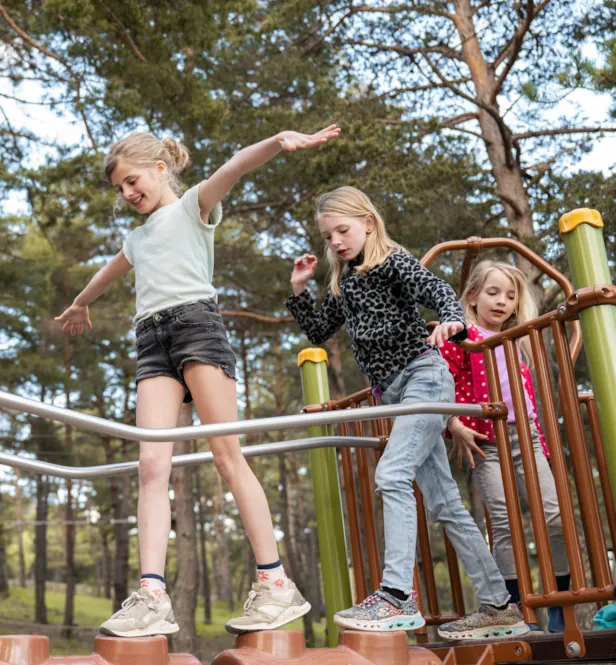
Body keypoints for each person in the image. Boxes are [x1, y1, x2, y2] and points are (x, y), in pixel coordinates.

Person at [55, 125, 341, 636]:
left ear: (160, 168)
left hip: (197, 328)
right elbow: (109, 272)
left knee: (227, 457)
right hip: (151, 341)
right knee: (150, 464)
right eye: (120, 188)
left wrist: (277, 141)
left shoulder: (192, 207)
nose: (127, 193)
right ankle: (152, 596)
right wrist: (80, 302)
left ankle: (276, 584)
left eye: (132, 181)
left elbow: (234, 166)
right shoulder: (136, 238)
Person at [285, 186, 528, 641]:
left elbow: (436, 289)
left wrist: (452, 317)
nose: (336, 241)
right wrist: (299, 288)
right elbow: (318, 330)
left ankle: (396, 595)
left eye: (343, 230)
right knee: (445, 503)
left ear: (368, 224)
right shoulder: (346, 281)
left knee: (392, 474)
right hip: (397, 395)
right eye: (328, 236)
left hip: (424, 378)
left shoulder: (391, 262)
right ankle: (499, 606)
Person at [441, 260, 569, 633]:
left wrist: (540, 440)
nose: (502, 302)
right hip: (485, 441)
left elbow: (526, 398)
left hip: (525, 437)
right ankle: (516, 608)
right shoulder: (461, 337)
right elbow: (441, 384)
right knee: (504, 523)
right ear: (473, 296)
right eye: (493, 292)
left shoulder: (516, 339)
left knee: (553, 514)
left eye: (510, 296)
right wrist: (453, 424)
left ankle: (560, 600)